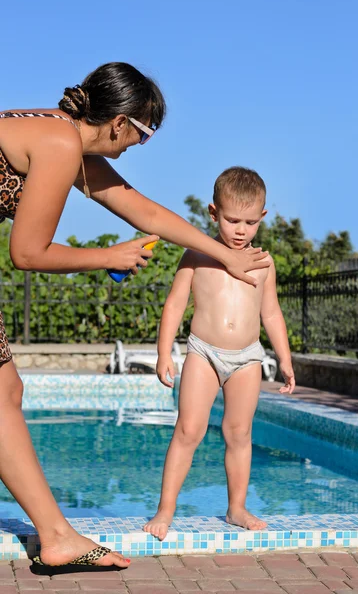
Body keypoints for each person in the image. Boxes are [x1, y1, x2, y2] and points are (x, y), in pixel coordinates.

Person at [0, 63, 271, 568]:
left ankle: (56, 534)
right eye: (143, 134)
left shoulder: (59, 133)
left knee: (4, 393)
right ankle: (57, 535)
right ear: (120, 122)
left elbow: (145, 211)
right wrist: (109, 256)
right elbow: (28, 254)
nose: (137, 147)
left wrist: (229, 256)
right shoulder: (60, 146)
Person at [143, 166, 295, 542]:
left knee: (239, 433)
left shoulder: (264, 263)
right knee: (188, 430)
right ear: (214, 213)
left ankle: (237, 507)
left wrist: (286, 360)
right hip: (203, 353)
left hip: (247, 358)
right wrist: (165, 353)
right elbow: (175, 305)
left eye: (249, 222)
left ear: (262, 217)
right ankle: (166, 508)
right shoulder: (196, 254)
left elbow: (271, 313)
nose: (240, 230)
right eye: (231, 220)